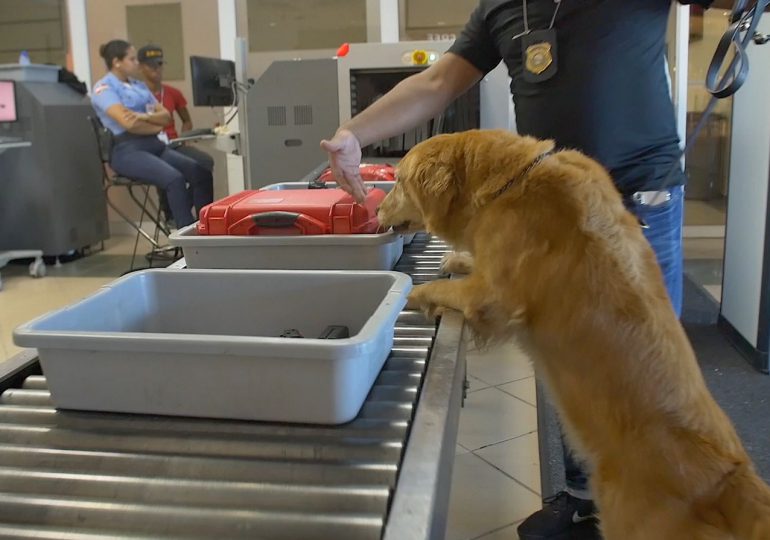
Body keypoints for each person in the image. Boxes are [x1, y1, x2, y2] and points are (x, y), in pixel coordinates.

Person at [321, 1, 719, 538]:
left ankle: (672, 510)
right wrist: (353, 133)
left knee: (643, 371)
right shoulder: (502, 7)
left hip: (637, 194)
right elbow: (439, 82)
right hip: (548, 201)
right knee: (562, 349)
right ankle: (586, 499)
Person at [91, 39, 213, 229]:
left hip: (153, 145)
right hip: (126, 150)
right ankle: (187, 241)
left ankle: (207, 228)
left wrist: (142, 117)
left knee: (201, 173)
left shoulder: (138, 86)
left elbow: (165, 117)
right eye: (132, 59)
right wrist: (153, 123)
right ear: (117, 62)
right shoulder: (104, 88)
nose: (137, 63)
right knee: (174, 179)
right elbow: (127, 123)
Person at [136, 44, 215, 224]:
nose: (157, 69)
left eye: (159, 64)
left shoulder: (173, 93)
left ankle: (199, 218)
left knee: (204, 163)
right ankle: (172, 214)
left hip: (173, 143)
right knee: (169, 171)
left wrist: (184, 137)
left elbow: (186, 120)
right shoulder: (134, 94)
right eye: (151, 65)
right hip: (149, 146)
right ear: (140, 67)